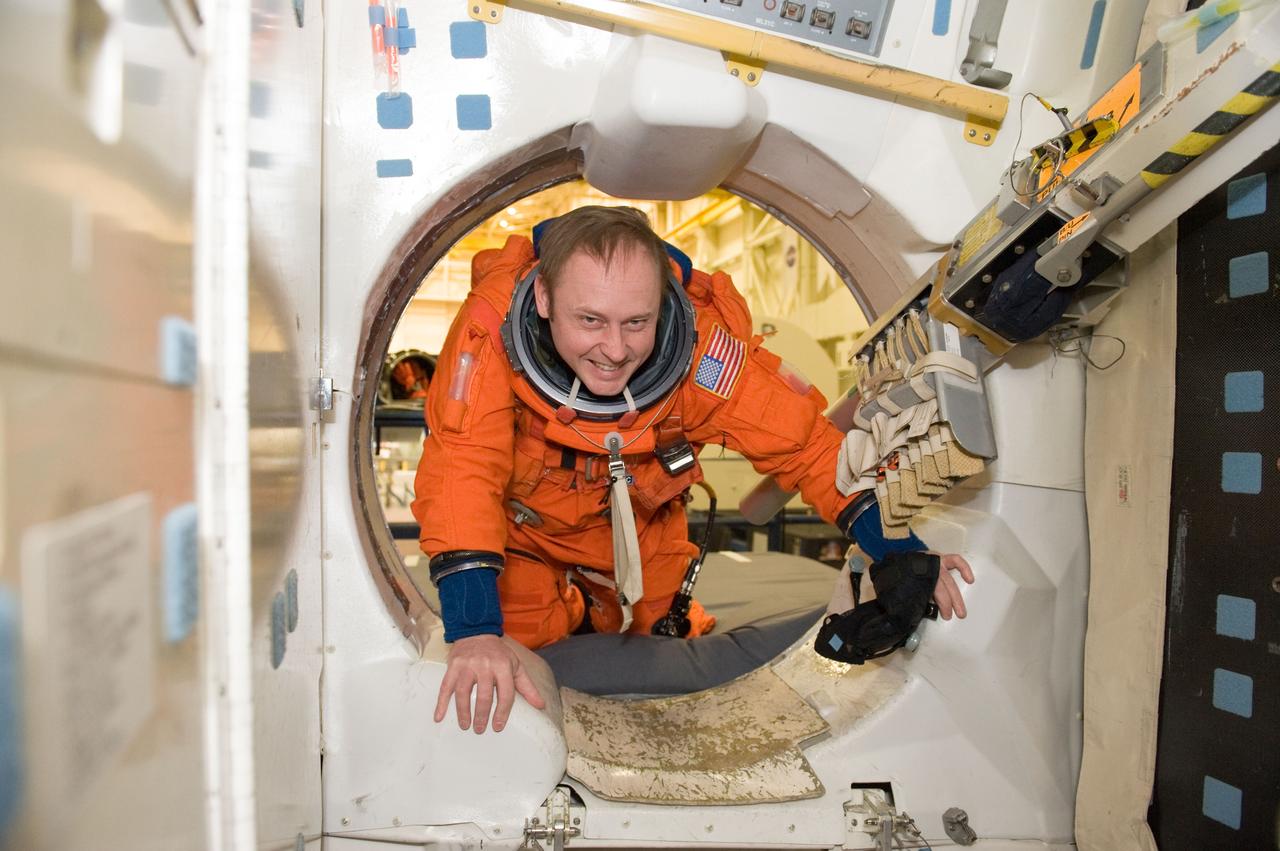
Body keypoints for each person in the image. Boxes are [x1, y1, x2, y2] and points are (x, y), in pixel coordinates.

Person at [411, 206, 973, 734]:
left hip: (641, 525)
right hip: (526, 536)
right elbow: (462, 471)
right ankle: (560, 612)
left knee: (661, 650)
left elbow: (807, 447)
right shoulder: (490, 336)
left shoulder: (703, 351)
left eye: (637, 321)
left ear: (663, 305)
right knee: (518, 658)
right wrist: (473, 630)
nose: (613, 348)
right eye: (589, 319)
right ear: (541, 298)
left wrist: (898, 546)